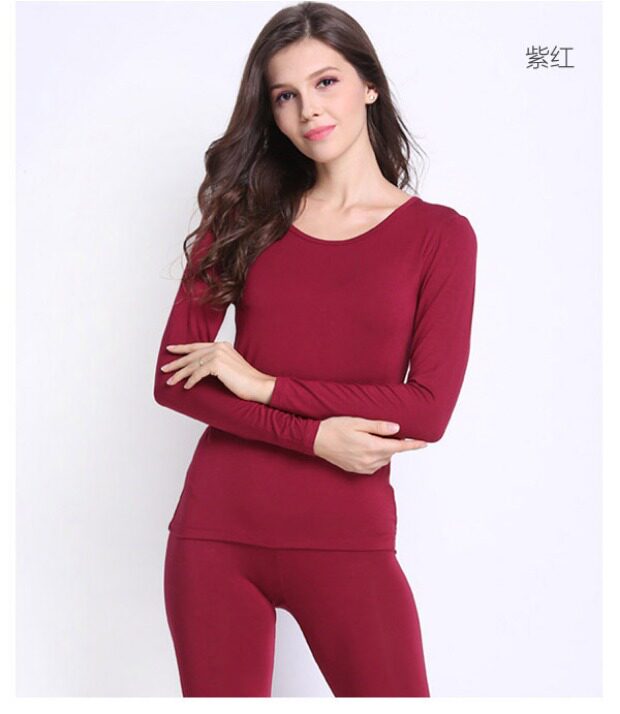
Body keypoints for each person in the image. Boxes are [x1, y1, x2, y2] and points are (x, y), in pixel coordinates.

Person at [153, 1, 477, 698]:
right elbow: (173, 381)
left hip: (348, 541)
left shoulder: (440, 236)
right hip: (216, 537)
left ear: (369, 84)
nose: (309, 111)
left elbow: (426, 410)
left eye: (326, 82)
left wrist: (266, 386)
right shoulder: (241, 219)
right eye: (285, 96)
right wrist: (313, 438)